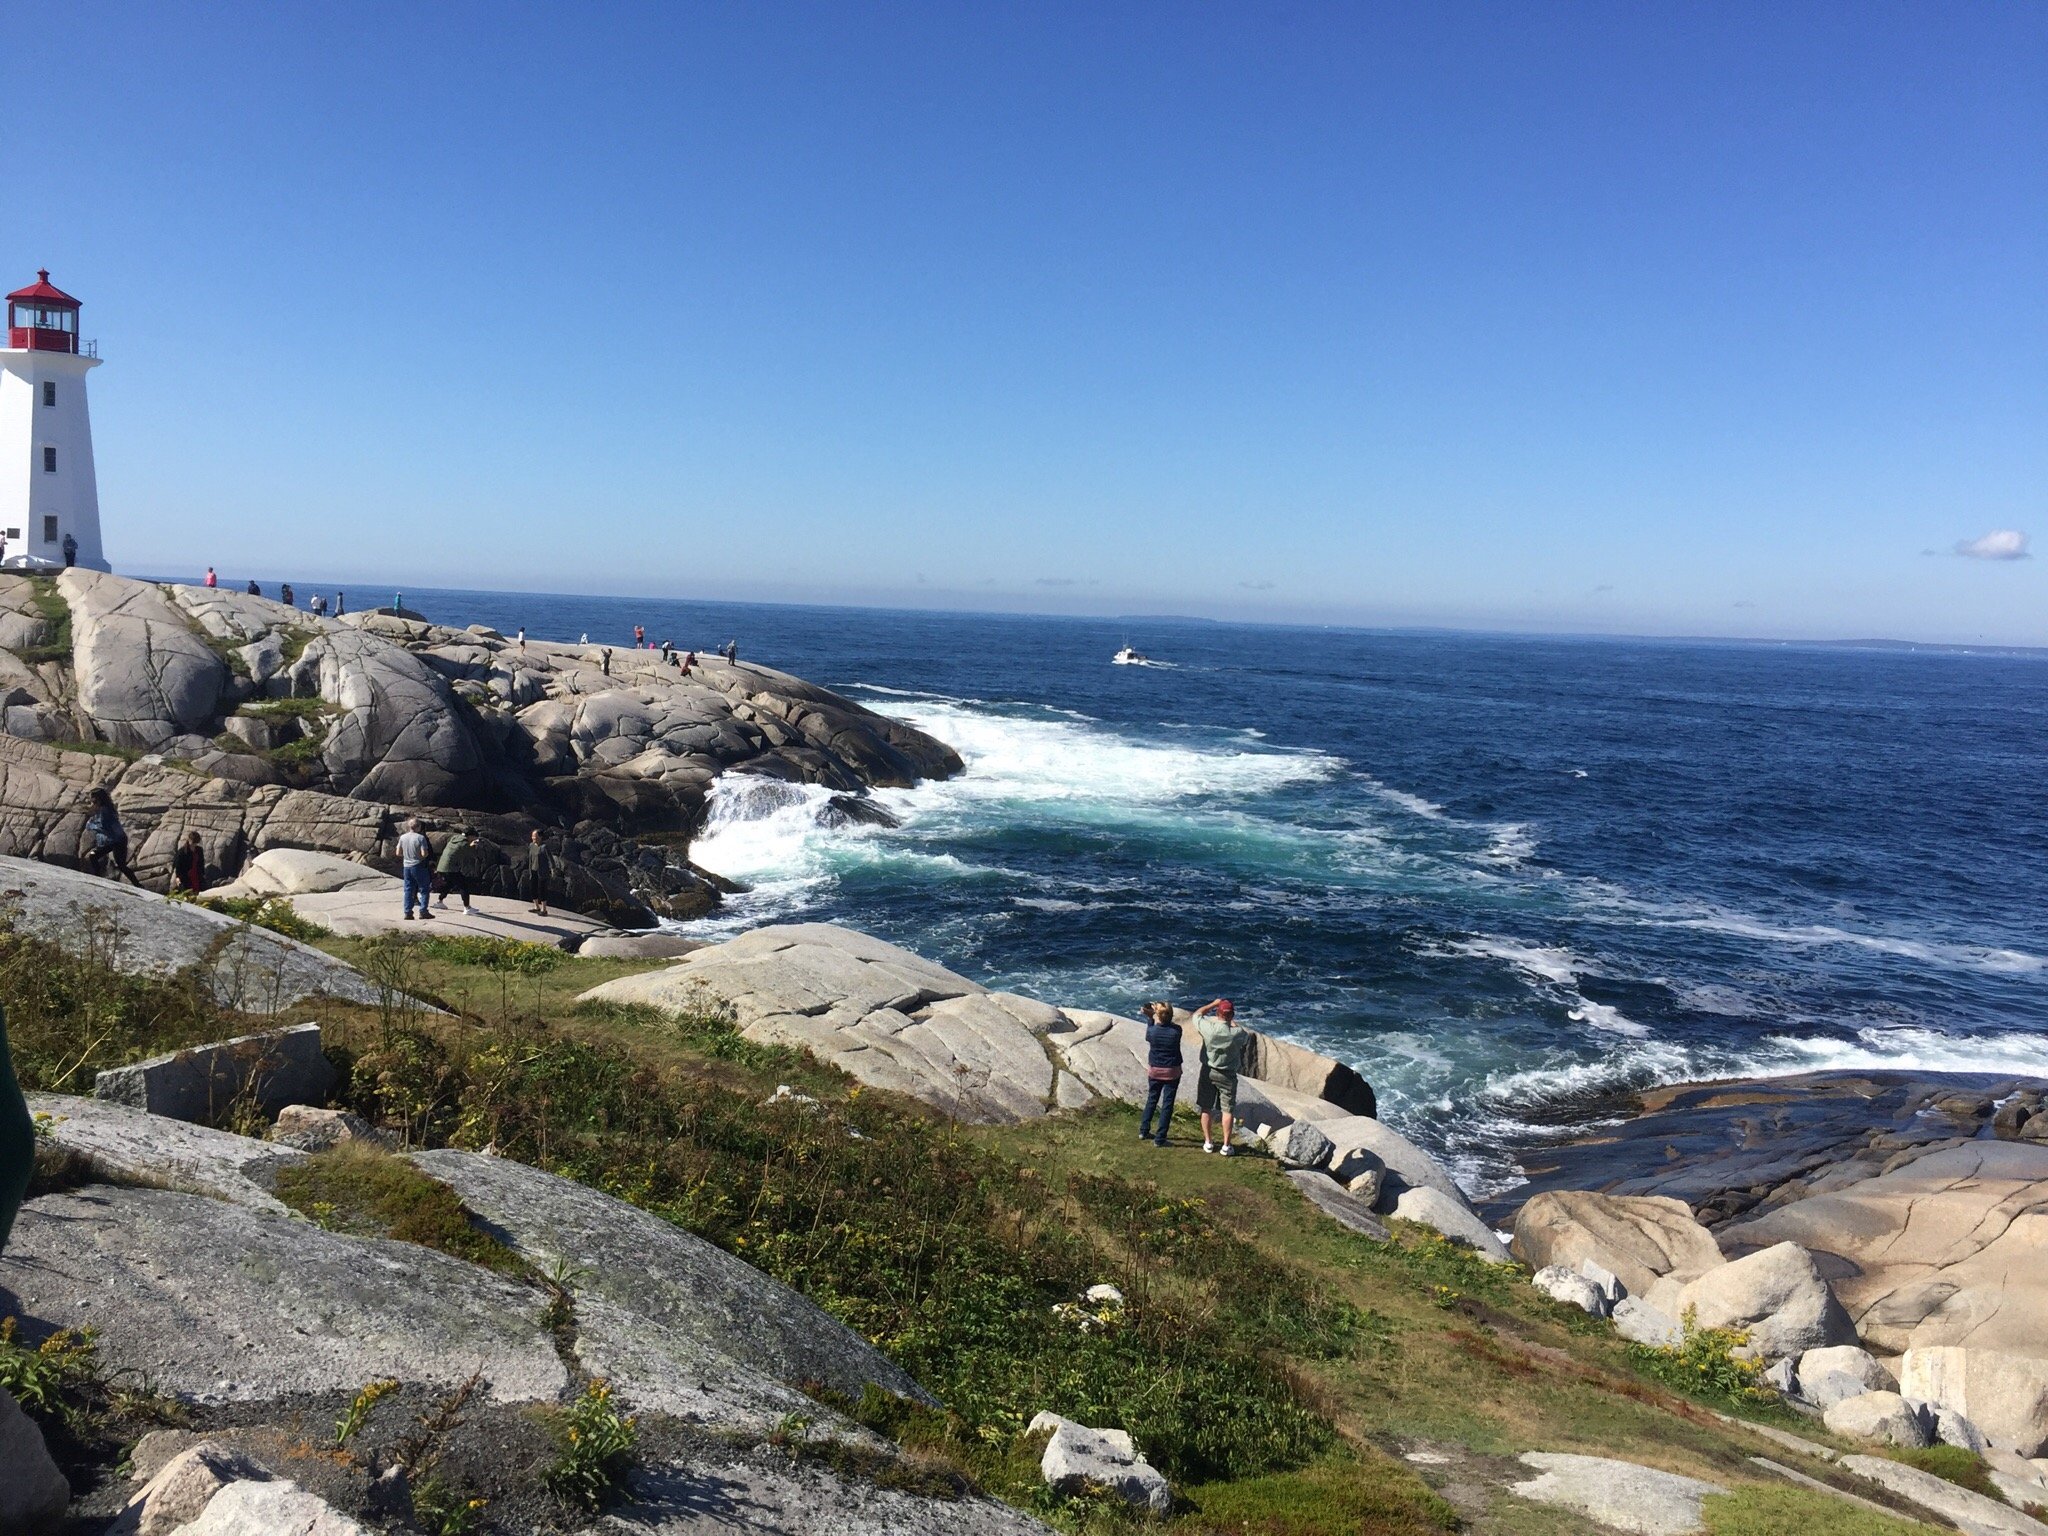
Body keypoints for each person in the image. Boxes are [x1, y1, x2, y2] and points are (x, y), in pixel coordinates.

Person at [1192, 999, 1246, 1155]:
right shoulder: (1237, 1033)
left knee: (1206, 1107)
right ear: (1232, 1015)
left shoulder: (1209, 1029)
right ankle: (1226, 1146)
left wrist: (1214, 1004)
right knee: (1227, 1110)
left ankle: (1208, 1142)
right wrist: (1231, 1021)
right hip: (1227, 1075)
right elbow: (1244, 1036)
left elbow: (1197, 1014)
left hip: (1208, 1071)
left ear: (1217, 1013)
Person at [1138, 1001, 1183, 1147]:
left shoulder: (1152, 1031)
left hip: (1155, 1070)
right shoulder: (1177, 1031)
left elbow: (1148, 1035)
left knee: (1152, 1099)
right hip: (1172, 1071)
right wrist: (1156, 1015)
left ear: (1158, 1015)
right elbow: (1170, 1025)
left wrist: (1150, 1018)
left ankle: (1143, 1131)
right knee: (1167, 1105)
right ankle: (1160, 1138)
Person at [84, 787, 140, 885]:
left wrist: (92, 825)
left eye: (93, 799)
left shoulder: (105, 810)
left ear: (98, 799)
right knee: (94, 856)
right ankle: (137, 884)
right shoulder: (105, 808)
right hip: (114, 840)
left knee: (120, 864)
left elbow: (105, 827)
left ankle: (137, 884)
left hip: (117, 840)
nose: (92, 802)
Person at [398, 818, 434, 920]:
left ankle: (408, 912)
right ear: (418, 827)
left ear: (409, 826)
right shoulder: (420, 838)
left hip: (406, 866)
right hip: (418, 866)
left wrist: (407, 855)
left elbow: (398, 853)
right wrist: (421, 856)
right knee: (424, 889)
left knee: (408, 889)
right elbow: (424, 854)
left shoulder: (403, 837)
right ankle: (423, 911)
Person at [435, 828, 475, 912]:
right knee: (464, 886)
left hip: (442, 866)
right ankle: (467, 908)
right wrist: (472, 845)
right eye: (474, 837)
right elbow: (470, 854)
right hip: (451, 868)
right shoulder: (464, 843)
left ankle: (439, 902)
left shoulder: (454, 839)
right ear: (470, 836)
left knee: (449, 884)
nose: (474, 839)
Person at [524, 828, 552, 915]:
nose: (533, 838)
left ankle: (544, 909)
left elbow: (550, 859)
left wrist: (553, 869)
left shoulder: (544, 847)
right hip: (533, 870)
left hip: (542, 871)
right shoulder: (531, 846)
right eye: (532, 836)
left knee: (542, 889)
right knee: (533, 888)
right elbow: (530, 858)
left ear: (540, 837)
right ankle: (536, 906)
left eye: (535, 836)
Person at [172, 830, 206, 894]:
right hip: (186, 876)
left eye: (196, 843)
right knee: (188, 893)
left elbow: (201, 863)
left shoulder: (199, 850)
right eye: (193, 843)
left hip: (197, 874)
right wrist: (178, 879)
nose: (195, 845)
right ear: (189, 840)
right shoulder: (182, 852)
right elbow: (177, 866)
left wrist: (203, 874)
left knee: (198, 892)